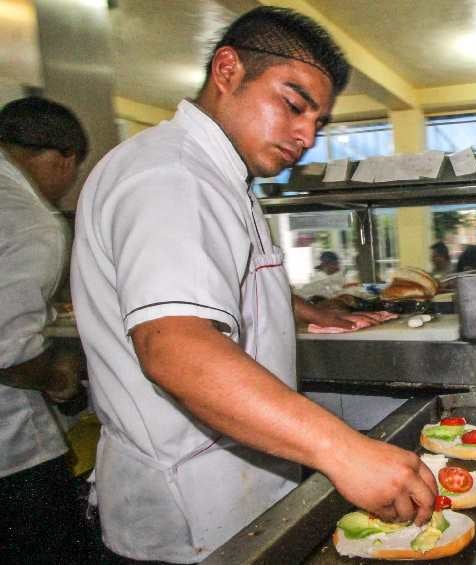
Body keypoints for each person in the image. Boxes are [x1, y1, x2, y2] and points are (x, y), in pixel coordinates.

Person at [70, 7, 436, 563]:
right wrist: (344, 450)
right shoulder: (173, 175)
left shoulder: (221, 177)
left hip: (238, 492)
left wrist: (305, 310)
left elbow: (223, 278)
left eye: (318, 122)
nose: (306, 136)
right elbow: (175, 349)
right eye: (293, 105)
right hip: (189, 516)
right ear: (228, 70)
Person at [0, 97, 88, 560]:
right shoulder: (33, 222)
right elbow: (8, 352)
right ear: (64, 157)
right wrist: (58, 378)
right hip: (10, 457)